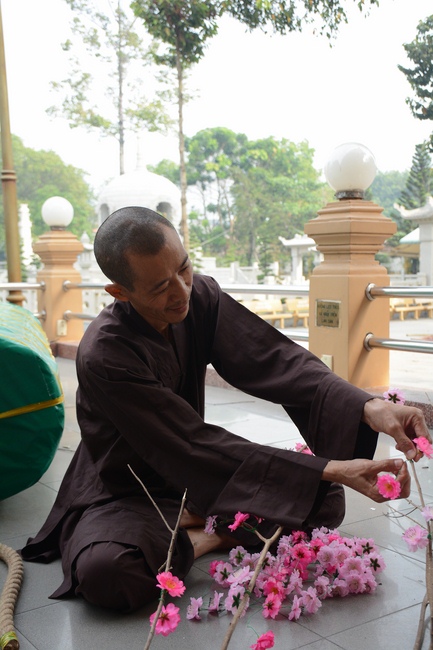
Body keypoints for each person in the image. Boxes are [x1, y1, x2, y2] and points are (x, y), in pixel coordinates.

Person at [21, 206, 431, 613]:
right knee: (107, 573)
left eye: (184, 268)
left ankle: (199, 524)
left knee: (323, 501)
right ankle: (209, 534)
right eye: (160, 287)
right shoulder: (105, 354)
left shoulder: (199, 297)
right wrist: (331, 468)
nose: (181, 291)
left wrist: (370, 406)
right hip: (126, 492)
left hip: (199, 475)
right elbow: (187, 441)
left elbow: (275, 359)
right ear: (119, 292)